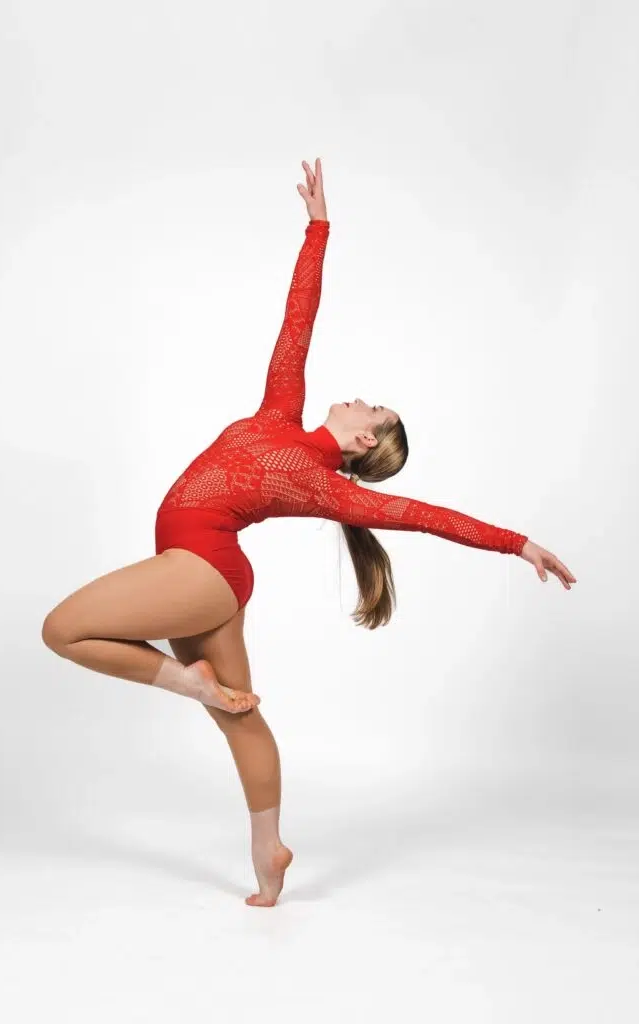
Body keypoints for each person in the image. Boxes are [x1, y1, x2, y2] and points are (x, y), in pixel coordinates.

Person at [42, 157, 576, 908]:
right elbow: (299, 317)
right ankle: (269, 852)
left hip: (202, 568)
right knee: (241, 715)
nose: (361, 399)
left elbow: (427, 518)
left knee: (62, 630)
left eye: (373, 409)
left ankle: (189, 685)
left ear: (363, 441)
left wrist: (516, 542)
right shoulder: (280, 411)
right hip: (213, 578)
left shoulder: (325, 484)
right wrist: (318, 228)